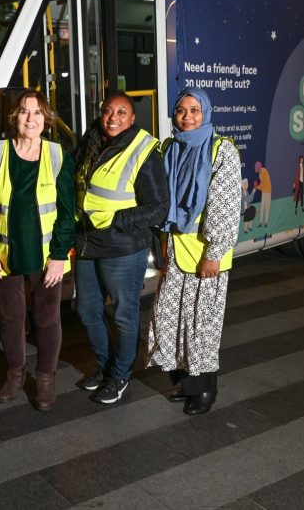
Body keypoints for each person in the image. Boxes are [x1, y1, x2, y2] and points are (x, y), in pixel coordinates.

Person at [0, 90, 75, 411]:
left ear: (46, 120)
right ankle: (15, 374)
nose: (30, 119)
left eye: (37, 113)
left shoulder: (58, 155)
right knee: (11, 317)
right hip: (4, 254)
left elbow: (66, 211)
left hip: (46, 257)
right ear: (14, 117)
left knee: (47, 319)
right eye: (24, 112)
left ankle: (45, 379)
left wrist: (59, 255)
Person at [148, 88, 241, 415]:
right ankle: (185, 383)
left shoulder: (221, 150)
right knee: (170, 321)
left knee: (201, 325)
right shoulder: (170, 147)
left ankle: (205, 391)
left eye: (194, 110)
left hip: (206, 254)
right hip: (176, 250)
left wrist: (214, 252)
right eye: (181, 110)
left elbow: (226, 205)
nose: (187, 116)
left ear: (207, 113)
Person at [74, 91, 168, 404]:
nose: (113, 118)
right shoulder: (91, 139)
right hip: (87, 241)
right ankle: (105, 367)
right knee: (87, 311)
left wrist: (117, 221)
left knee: (125, 316)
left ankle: (121, 375)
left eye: (121, 112)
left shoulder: (142, 149)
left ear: (132, 117)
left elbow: (158, 207)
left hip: (123, 246)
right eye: (108, 111)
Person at [253, 160, 271, 226]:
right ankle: (261, 222)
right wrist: (257, 186)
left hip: (267, 192)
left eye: (256, 167)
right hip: (264, 192)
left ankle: (266, 222)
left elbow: (263, 184)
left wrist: (256, 187)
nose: (255, 169)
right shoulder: (260, 173)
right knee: (263, 206)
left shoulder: (263, 171)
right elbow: (262, 184)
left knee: (267, 207)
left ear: (258, 167)